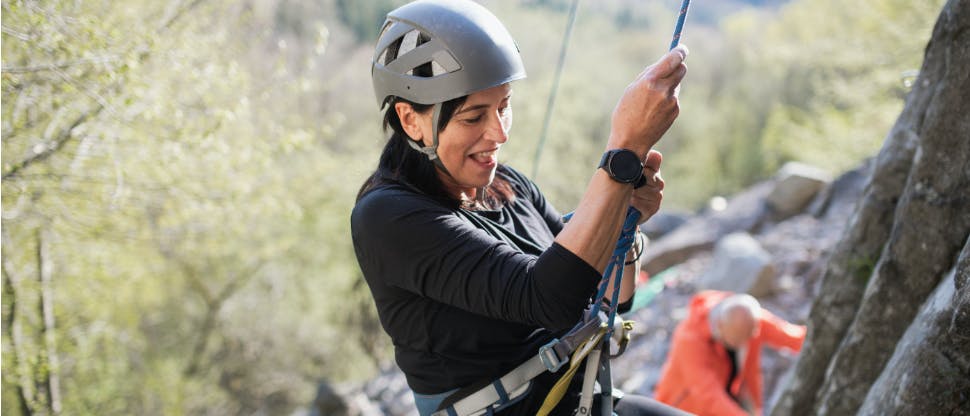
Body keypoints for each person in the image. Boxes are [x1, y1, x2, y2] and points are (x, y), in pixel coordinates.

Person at [351, 0, 689, 414]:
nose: (499, 132)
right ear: (411, 120)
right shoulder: (389, 219)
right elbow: (549, 299)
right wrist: (623, 150)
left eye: (503, 106)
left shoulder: (508, 186)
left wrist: (624, 219)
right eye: (474, 117)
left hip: (581, 401)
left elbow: (608, 299)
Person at [653, 291, 807, 416]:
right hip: (680, 409)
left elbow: (794, 337)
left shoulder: (747, 318)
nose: (742, 345)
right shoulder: (689, 339)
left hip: (729, 401)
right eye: (735, 341)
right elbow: (708, 395)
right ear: (719, 326)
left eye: (747, 338)